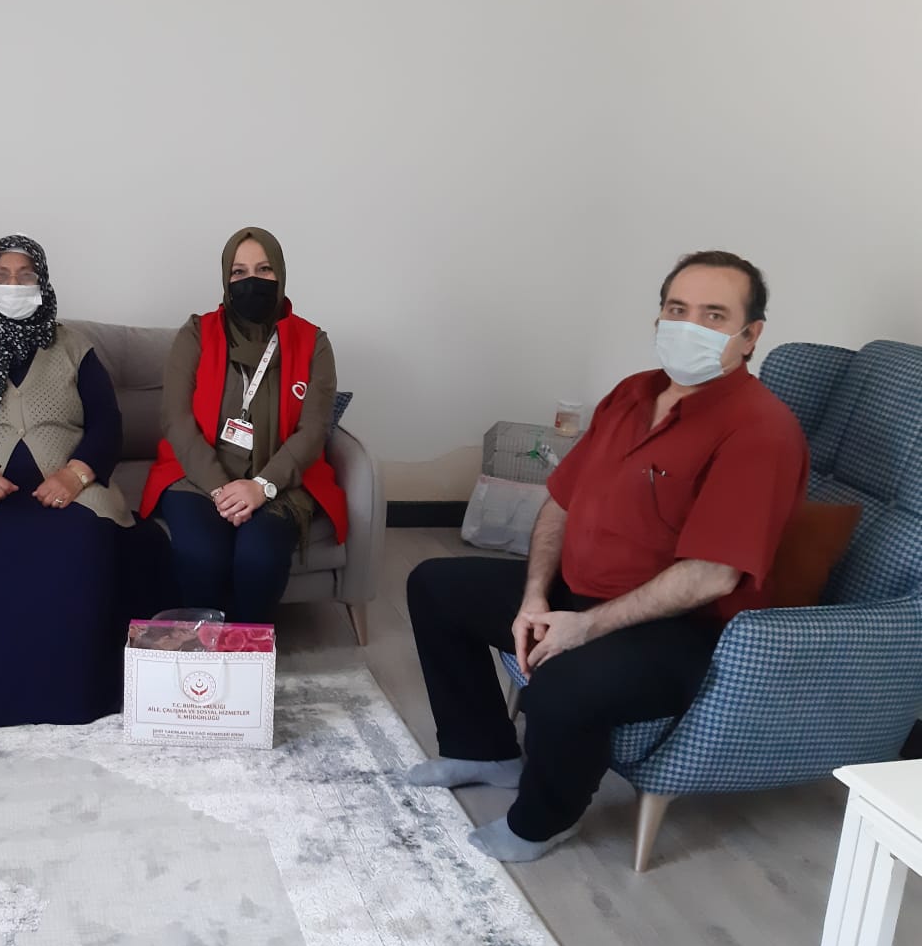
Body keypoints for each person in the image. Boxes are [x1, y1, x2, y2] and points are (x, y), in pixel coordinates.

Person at [406, 250, 809, 862]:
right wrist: (535, 596)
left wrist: (585, 627)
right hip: (578, 592)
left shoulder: (761, 430)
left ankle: (544, 821)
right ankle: (483, 751)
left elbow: (712, 575)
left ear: (750, 336)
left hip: (680, 630)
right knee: (435, 585)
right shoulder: (631, 394)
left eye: (714, 315)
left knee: (562, 684)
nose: (690, 326)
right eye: (677, 309)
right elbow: (561, 503)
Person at [0, 234, 140, 728]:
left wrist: (75, 475)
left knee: (84, 542)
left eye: (25, 275)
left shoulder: (74, 347)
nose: (12, 284)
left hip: (70, 487)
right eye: (1, 275)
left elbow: (107, 422)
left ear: (43, 282)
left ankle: (82, 694)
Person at [140, 227, 347, 623]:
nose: (252, 281)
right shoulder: (197, 333)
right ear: (226, 278)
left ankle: (247, 648)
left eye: (264, 269)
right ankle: (206, 647)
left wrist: (261, 485)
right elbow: (176, 419)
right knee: (202, 554)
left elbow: (313, 430)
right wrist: (221, 488)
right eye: (239, 272)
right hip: (198, 477)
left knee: (260, 557)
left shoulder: (313, 342)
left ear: (280, 273)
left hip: (280, 481)